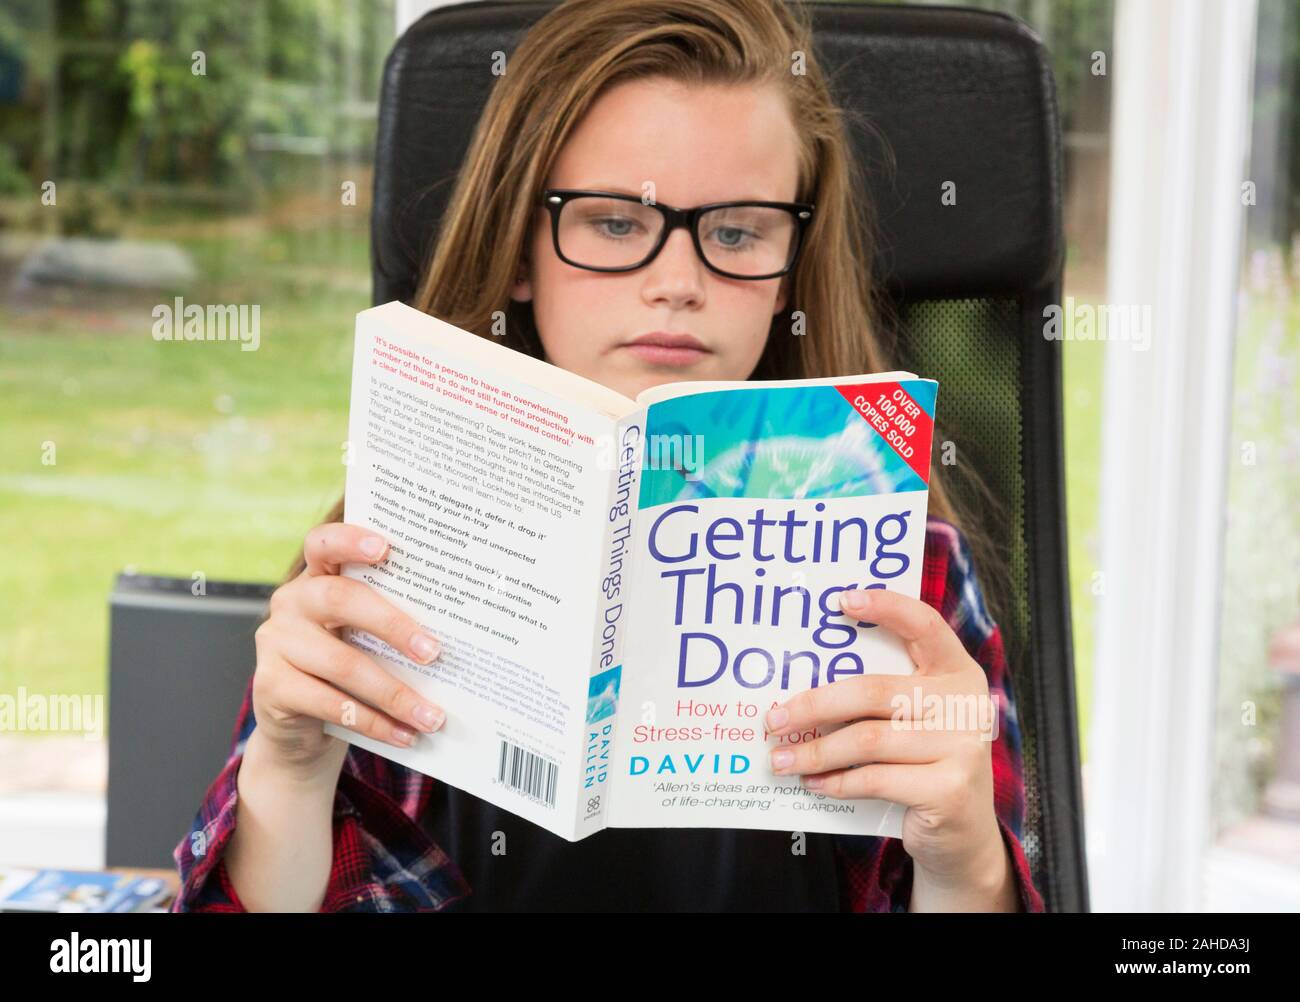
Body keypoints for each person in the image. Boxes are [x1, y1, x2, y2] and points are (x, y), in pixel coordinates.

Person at [172, 0, 1045, 913]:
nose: (678, 283)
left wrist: (964, 865)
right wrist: (290, 770)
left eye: (739, 232)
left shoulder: (916, 578)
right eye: (615, 224)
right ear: (519, 250)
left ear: (792, 262)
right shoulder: (382, 551)